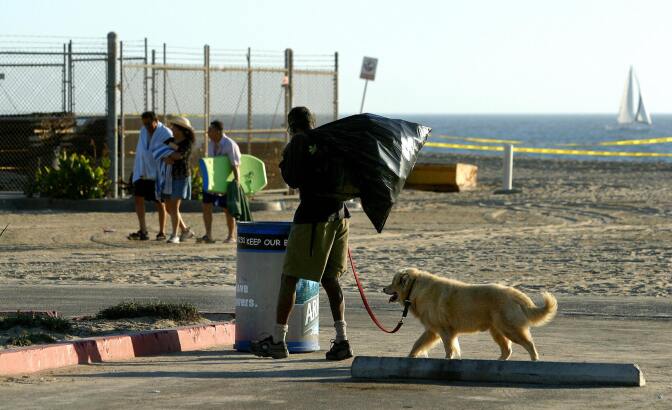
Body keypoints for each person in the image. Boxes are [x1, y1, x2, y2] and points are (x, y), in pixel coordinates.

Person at [251, 106, 353, 361]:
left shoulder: (299, 141)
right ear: (312, 122)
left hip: (312, 219)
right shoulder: (330, 139)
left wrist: (286, 161)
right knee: (330, 279)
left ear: (291, 125)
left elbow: (292, 179)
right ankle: (342, 340)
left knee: (290, 278)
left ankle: (277, 340)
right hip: (340, 216)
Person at [128, 111, 171, 241]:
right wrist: (136, 170)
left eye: (148, 123)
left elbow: (170, 151)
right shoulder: (143, 131)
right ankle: (143, 230)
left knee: (159, 202)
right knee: (138, 199)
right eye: (144, 123)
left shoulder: (166, 133)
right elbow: (141, 150)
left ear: (155, 121)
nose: (146, 126)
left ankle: (162, 231)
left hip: (158, 172)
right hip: (142, 171)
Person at [198, 120, 241, 244]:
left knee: (227, 208)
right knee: (206, 206)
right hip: (213, 180)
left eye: (210, 130)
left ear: (218, 131)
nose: (208, 132)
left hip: (226, 181)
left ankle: (231, 235)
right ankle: (209, 235)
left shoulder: (229, 145)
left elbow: (235, 165)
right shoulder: (211, 144)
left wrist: (236, 183)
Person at [162, 116, 196, 244]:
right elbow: (162, 149)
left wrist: (168, 155)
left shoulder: (187, 143)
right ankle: (185, 230)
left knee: (174, 207)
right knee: (169, 207)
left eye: (175, 127)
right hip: (169, 176)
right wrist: (166, 156)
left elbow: (179, 155)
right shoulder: (170, 141)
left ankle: (174, 235)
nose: (172, 128)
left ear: (181, 129)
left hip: (181, 176)